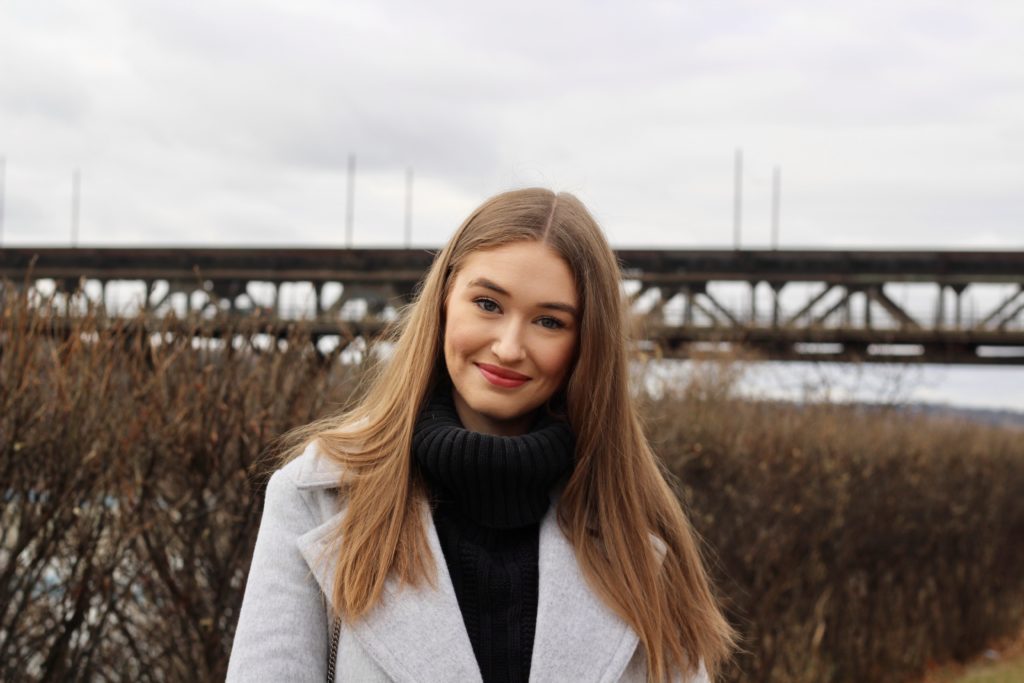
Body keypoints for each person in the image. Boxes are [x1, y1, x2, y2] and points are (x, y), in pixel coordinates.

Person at [226, 188, 735, 682]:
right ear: (445, 300)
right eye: (489, 304)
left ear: (587, 344)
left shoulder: (637, 538)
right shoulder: (314, 499)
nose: (510, 347)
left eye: (549, 321)